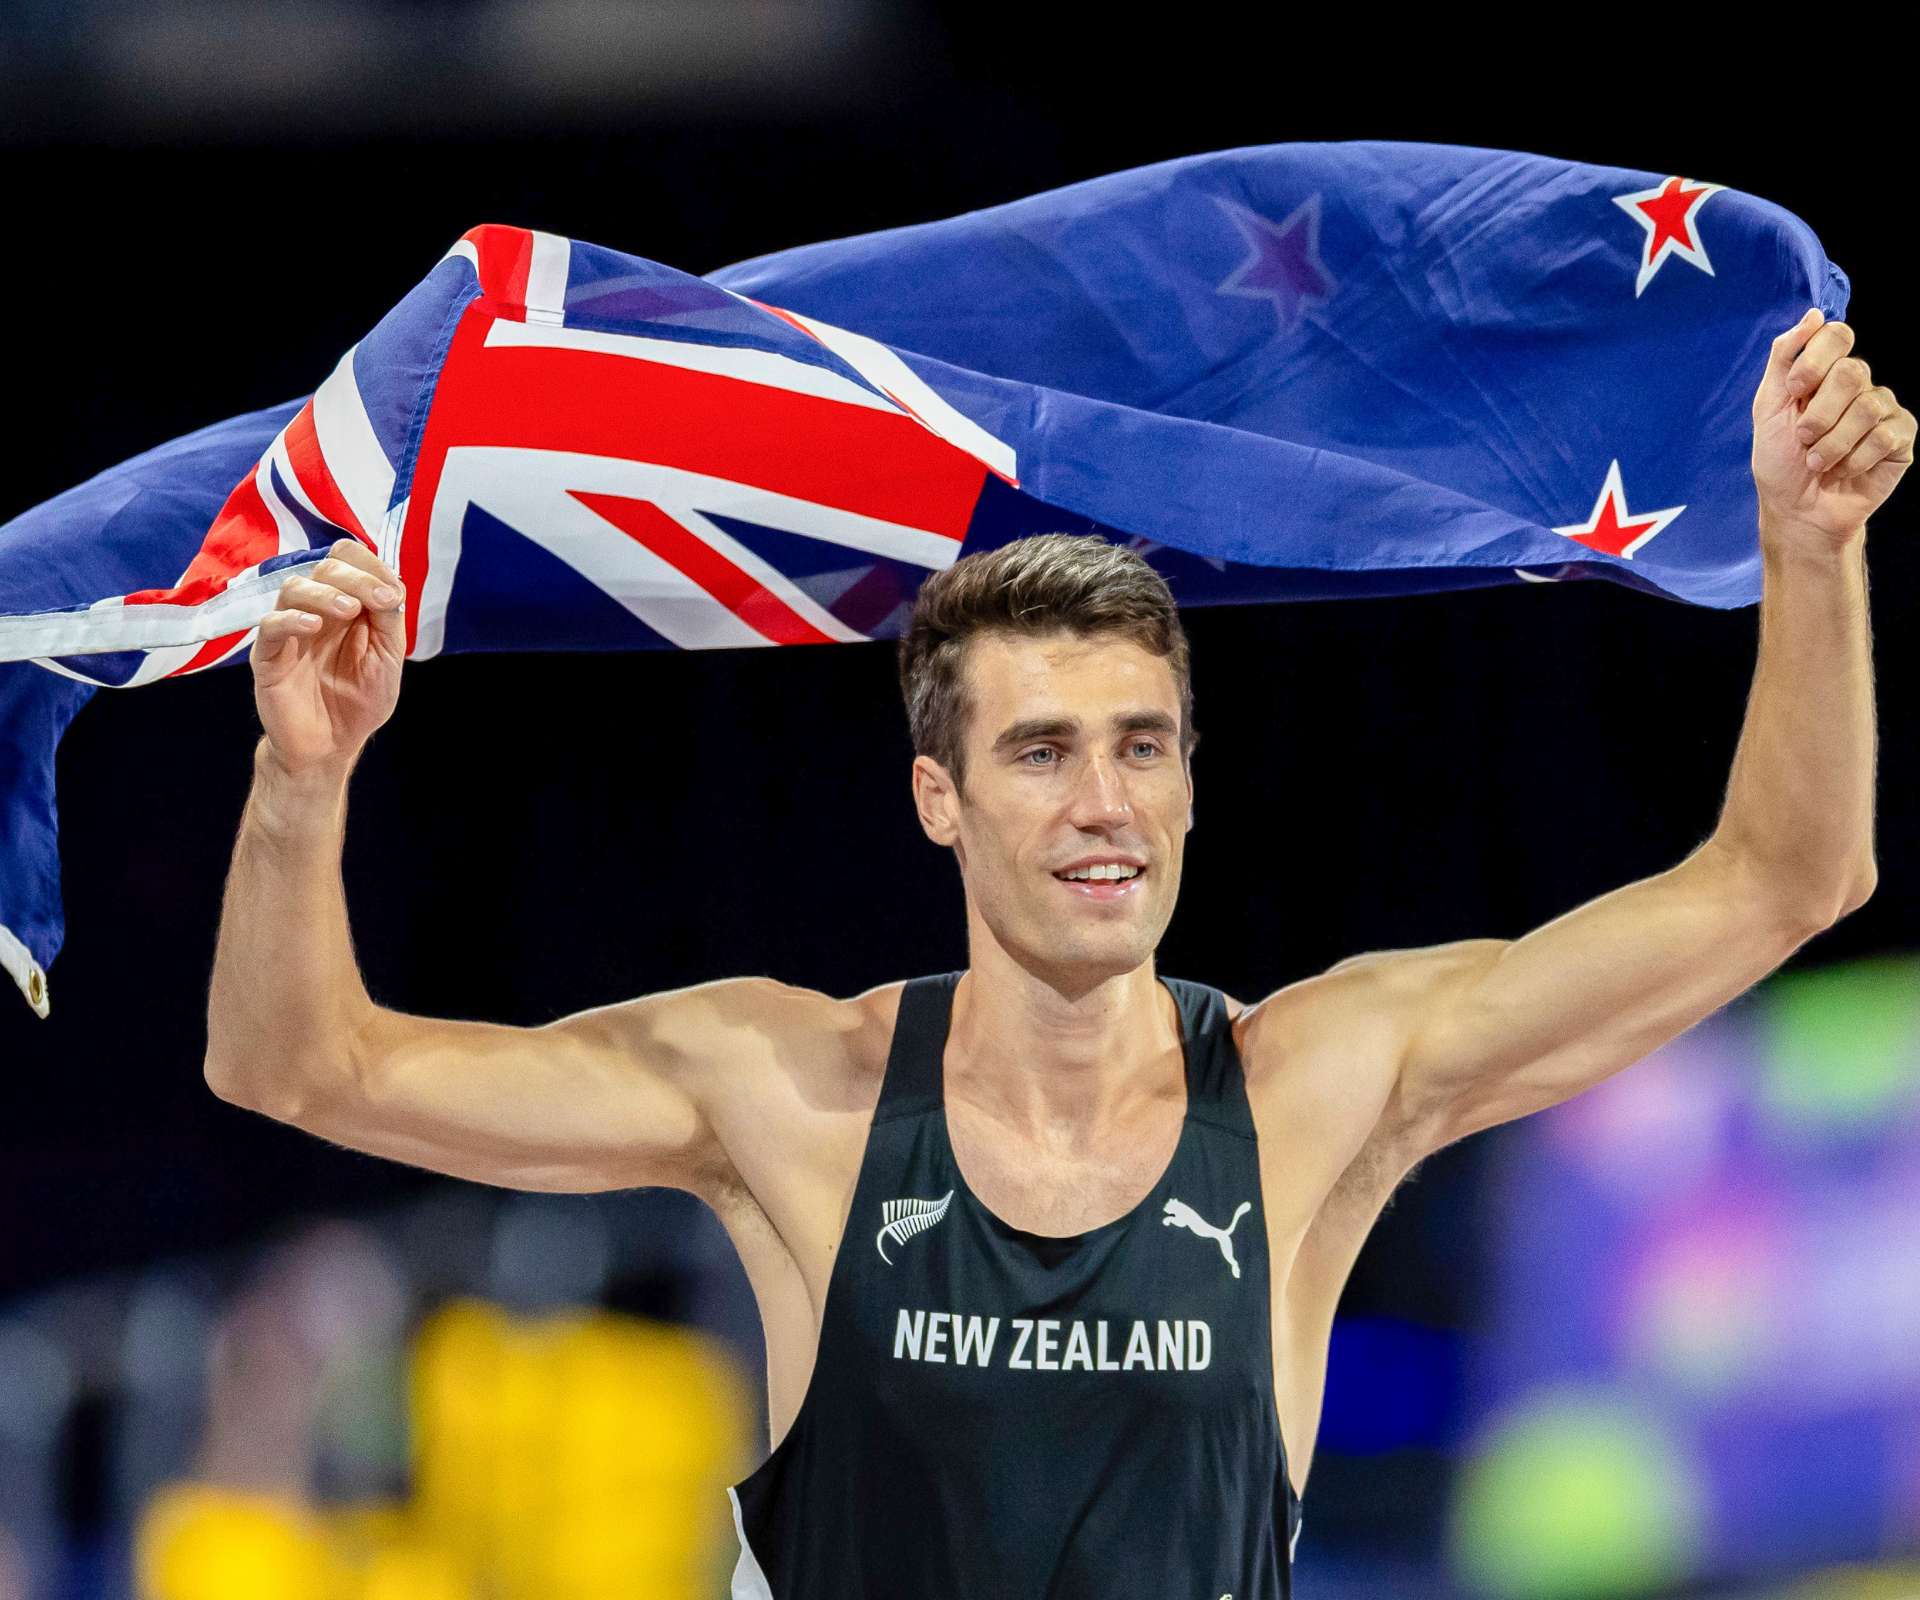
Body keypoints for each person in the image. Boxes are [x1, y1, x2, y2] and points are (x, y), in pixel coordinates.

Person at [202, 309, 1907, 1598]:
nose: (1106, 806)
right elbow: (299, 1067)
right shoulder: (790, 1090)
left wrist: (1812, 548)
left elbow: (1786, 877)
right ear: (936, 796)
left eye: (1143, 745)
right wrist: (302, 776)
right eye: (1041, 752)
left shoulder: (1321, 1090)